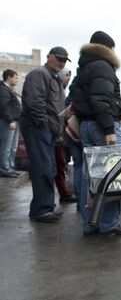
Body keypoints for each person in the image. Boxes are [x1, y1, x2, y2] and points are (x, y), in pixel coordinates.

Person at [70, 30, 121, 236]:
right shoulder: (103, 67)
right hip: (102, 126)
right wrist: (108, 128)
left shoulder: (84, 68)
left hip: (87, 125)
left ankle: (90, 223)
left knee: (90, 177)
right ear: (107, 48)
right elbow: (101, 99)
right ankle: (109, 224)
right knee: (113, 175)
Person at [20, 46, 70, 222]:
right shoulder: (40, 74)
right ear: (49, 57)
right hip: (38, 127)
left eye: (64, 60)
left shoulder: (53, 78)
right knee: (43, 166)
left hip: (45, 127)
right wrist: (45, 123)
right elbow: (34, 101)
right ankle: (41, 210)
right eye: (59, 59)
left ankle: (45, 207)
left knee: (49, 167)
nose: (62, 63)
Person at [54, 67, 76, 203]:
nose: (67, 78)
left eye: (69, 75)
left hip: (64, 134)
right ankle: (63, 192)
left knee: (62, 163)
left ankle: (64, 191)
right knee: (59, 164)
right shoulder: (57, 93)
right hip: (58, 134)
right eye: (66, 75)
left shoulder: (63, 93)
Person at [0, 69, 22, 178]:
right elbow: (4, 106)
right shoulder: (3, 90)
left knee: (13, 147)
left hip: (14, 121)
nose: (17, 80)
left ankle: (10, 167)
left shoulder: (9, 89)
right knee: (6, 147)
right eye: (15, 77)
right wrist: (9, 120)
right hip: (8, 122)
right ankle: (5, 169)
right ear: (9, 77)